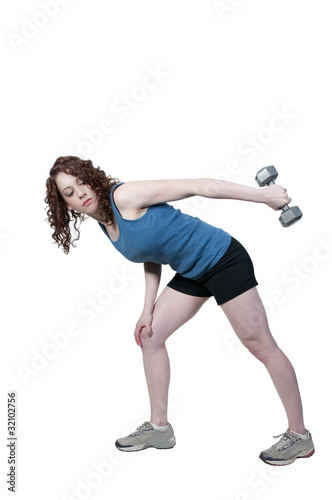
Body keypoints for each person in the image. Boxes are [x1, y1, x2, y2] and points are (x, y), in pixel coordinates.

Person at [45, 155, 314, 465]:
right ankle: (159, 428)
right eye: (69, 192)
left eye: (81, 182)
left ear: (91, 178)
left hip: (223, 259)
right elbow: (152, 253)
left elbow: (200, 186)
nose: (79, 192)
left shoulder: (123, 197)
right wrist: (147, 310)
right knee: (151, 336)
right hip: (192, 272)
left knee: (259, 344)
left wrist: (264, 197)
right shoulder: (108, 225)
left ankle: (300, 436)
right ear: (67, 206)